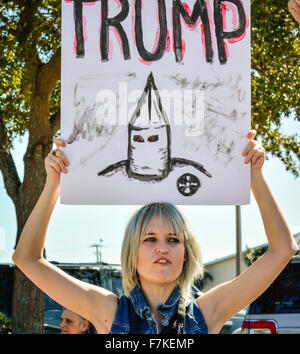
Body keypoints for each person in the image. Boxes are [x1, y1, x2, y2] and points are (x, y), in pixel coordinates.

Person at [12, 130, 297, 334]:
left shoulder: (208, 311)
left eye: (173, 239)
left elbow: (283, 250)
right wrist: (54, 185)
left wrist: (255, 177)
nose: (163, 247)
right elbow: (27, 259)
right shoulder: (106, 310)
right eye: (150, 239)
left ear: (185, 254)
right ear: (131, 254)